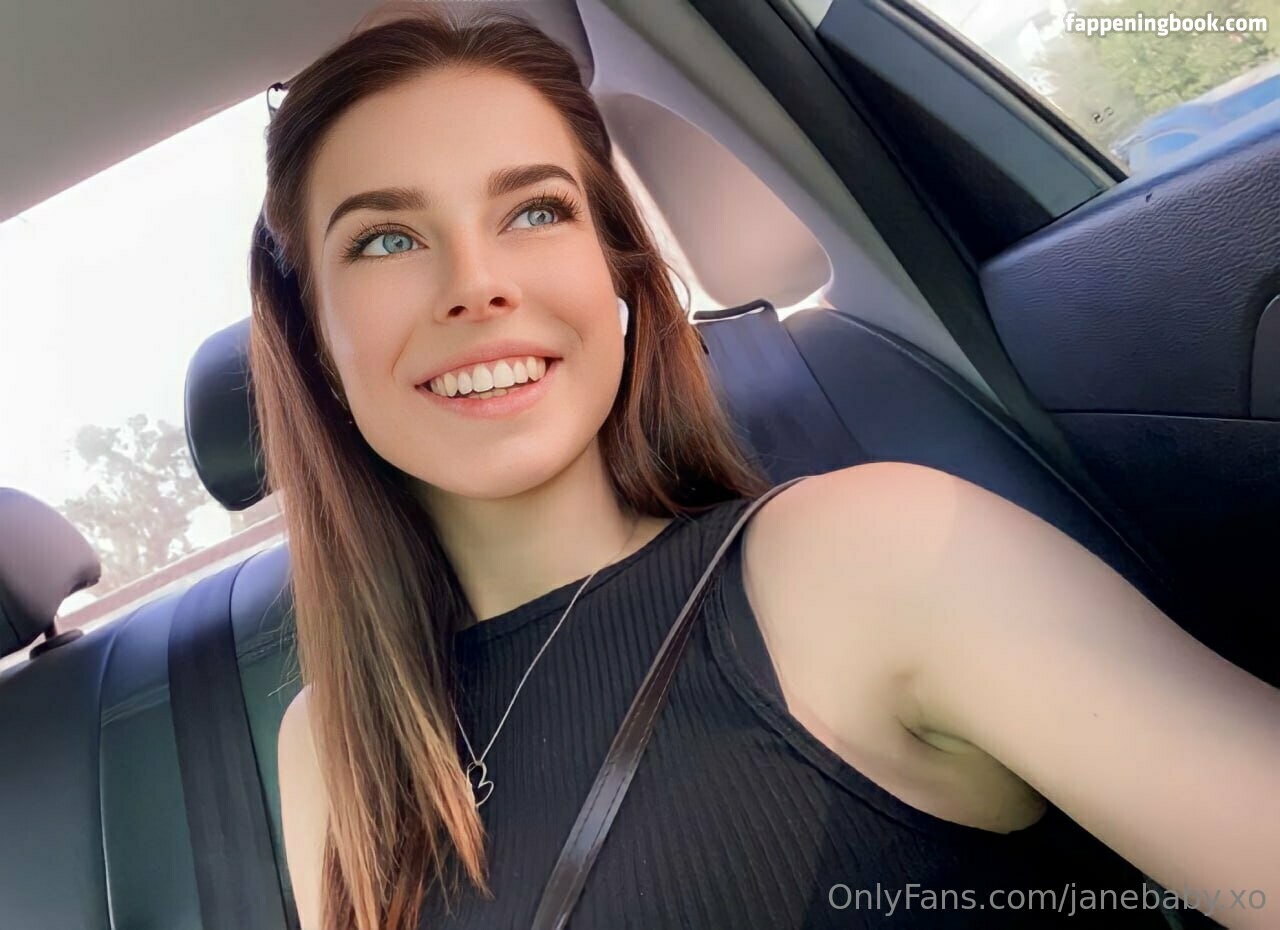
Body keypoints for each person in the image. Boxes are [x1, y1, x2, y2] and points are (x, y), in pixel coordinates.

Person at [260, 7, 1279, 930]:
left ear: (616, 275)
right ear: (316, 348)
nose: (476, 284)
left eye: (535, 212)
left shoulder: (870, 556)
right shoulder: (327, 748)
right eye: (385, 240)